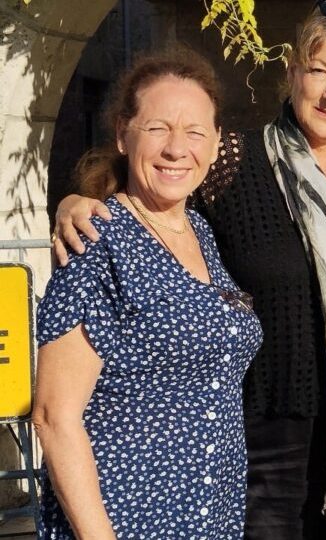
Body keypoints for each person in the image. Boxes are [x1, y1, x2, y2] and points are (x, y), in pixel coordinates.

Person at [52, 2, 326, 539]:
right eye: (318, 71)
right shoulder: (235, 159)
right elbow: (155, 184)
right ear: (293, 72)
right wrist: (78, 201)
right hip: (259, 440)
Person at [34, 48, 263, 538]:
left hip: (211, 517)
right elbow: (55, 417)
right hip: (126, 519)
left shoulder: (200, 231)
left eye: (196, 131)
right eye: (158, 127)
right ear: (122, 133)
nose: (177, 148)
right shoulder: (97, 242)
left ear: (217, 142)